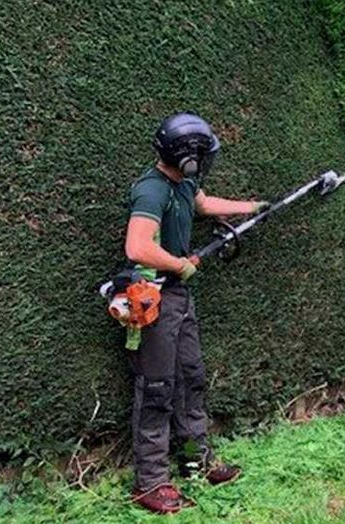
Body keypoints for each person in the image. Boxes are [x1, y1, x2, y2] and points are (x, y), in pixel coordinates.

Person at [123, 112, 268, 514]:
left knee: (190, 380)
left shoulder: (184, 181)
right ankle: (150, 482)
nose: (203, 163)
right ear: (186, 157)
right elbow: (137, 247)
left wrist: (251, 206)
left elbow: (203, 204)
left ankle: (193, 461)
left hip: (180, 298)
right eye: (200, 156)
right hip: (154, 298)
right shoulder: (152, 190)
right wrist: (176, 262)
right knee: (157, 389)